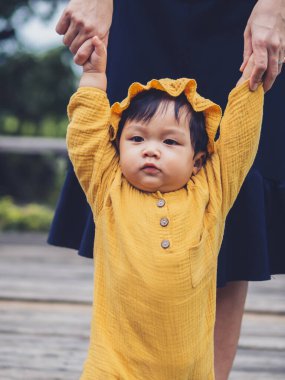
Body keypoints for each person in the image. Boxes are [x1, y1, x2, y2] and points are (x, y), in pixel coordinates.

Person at [49, 1, 285, 378]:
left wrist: (256, 68)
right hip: (113, 369)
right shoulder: (106, 184)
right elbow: (87, 136)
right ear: (118, 146)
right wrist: (93, 75)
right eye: (137, 138)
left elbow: (238, 140)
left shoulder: (214, 188)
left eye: (171, 144)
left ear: (199, 160)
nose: (151, 149)